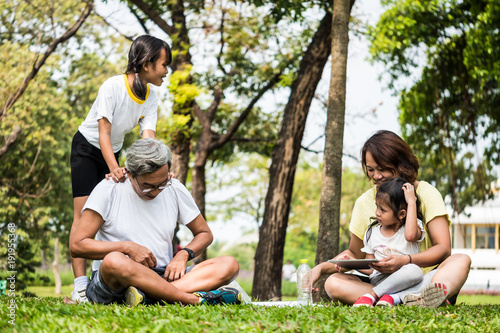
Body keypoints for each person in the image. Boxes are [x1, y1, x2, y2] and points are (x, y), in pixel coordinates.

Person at [69, 138, 241, 307]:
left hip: (163, 275)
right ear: (129, 173)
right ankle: (192, 299)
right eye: (147, 186)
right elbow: (78, 246)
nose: (156, 191)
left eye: (162, 183)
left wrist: (184, 254)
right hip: (116, 280)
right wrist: (127, 247)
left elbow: (204, 234)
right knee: (114, 260)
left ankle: (148, 297)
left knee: (229, 264)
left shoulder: (174, 188)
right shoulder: (108, 189)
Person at [311, 130, 471, 308]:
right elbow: (356, 254)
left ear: (401, 163)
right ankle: (404, 300)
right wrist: (320, 269)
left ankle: (404, 298)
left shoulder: (426, 193)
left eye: (382, 169)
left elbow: (443, 249)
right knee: (333, 283)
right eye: (371, 170)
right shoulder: (364, 202)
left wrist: (406, 261)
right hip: (382, 282)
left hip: (422, 278)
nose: (376, 176)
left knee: (461, 260)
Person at [69, 35, 172, 302]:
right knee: (82, 215)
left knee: (107, 209)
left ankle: (102, 277)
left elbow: (148, 139)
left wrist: (160, 167)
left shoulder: (151, 97)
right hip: (87, 148)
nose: (167, 70)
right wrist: (114, 169)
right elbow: (104, 133)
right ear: (147, 64)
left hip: (111, 150)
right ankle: (80, 287)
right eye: (164, 64)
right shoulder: (113, 86)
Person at [340, 178, 425, 307]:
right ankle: (389, 297)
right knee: (417, 276)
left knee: (415, 271)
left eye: (383, 210)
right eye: (377, 207)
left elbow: (410, 235)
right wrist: (352, 263)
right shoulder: (372, 233)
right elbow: (370, 269)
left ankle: (376, 297)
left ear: (402, 214)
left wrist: (411, 202)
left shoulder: (411, 227)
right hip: (380, 280)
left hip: (407, 279)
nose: (377, 213)